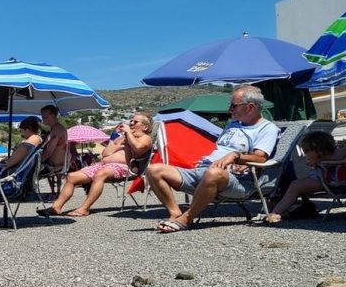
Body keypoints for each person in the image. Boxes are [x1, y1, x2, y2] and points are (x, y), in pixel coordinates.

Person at [147, 85, 279, 233]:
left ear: (250, 107)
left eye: (234, 105)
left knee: (213, 173)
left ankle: (186, 219)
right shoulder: (233, 125)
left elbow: (260, 158)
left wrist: (236, 157)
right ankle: (175, 214)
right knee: (154, 170)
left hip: (237, 181)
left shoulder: (267, 128)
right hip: (204, 170)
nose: (230, 109)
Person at [39, 112, 154, 217]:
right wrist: (118, 142)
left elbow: (138, 148)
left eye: (135, 122)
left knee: (101, 174)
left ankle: (84, 209)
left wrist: (129, 134)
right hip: (104, 165)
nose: (132, 123)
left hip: (126, 168)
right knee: (72, 177)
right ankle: (56, 207)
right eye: (131, 121)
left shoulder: (145, 138)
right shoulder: (123, 138)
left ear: (145, 127)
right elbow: (105, 153)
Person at [0, 116, 44, 234]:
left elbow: (8, 164)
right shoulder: (37, 144)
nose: (21, 134)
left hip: (12, 184)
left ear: (28, 129)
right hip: (19, 182)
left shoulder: (26, 146)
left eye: (21, 130)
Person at [265, 131, 346, 224]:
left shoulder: (339, 151)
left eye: (307, 151)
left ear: (320, 149)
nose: (305, 155)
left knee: (296, 185)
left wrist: (322, 160)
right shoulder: (319, 157)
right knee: (296, 185)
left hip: (334, 179)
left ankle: (279, 211)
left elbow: (340, 155)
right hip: (325, 179)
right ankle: (278, 211)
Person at [39, 105, 69, 190]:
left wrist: (38, 161)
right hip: (59, 163)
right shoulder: (58, 128)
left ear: (52, 115)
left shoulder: (57, 130)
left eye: (45, 116)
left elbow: (49, 151)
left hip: (54, 165)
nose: (43, 118)